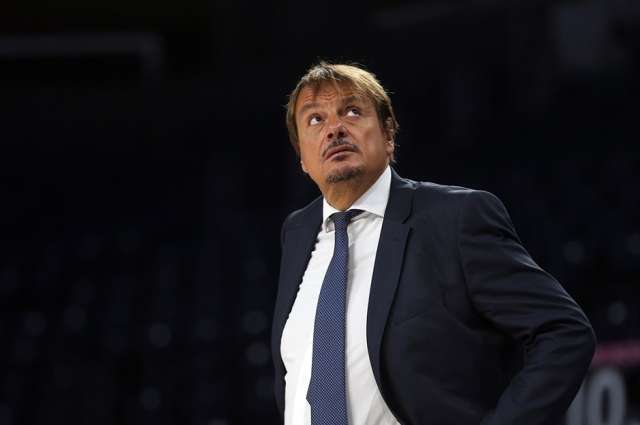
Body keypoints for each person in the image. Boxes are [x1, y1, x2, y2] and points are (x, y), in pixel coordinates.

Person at [271, 62, 595, 425]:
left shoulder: (454, 218)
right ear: (302, 157)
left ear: (389, 134)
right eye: (315, 119)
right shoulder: (297, 233)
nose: (334, 129)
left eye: (352, 111)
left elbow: (564, 332)